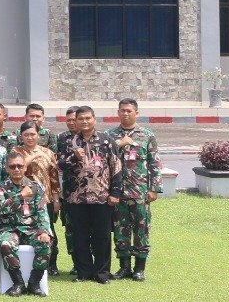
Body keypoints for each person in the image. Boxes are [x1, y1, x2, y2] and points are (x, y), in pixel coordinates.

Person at [57, 105, 120, 283]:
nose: (84, 122)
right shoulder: (67, 141)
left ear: (94, 119)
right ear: (75, 121)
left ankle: (102, 273)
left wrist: (115, 192)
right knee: (80, 236)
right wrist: (73, 157)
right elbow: (59, 165)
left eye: (87, 118)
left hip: (101, 196)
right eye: (80, 119)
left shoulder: (107, 140)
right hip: (75, 197)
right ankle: (83, 272)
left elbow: (116, 167)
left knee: (102, 236)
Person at [109, 97, 162, 282]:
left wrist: (154, 188)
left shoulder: (147, 135)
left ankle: (139, 268)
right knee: (120, 230)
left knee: (141, 230)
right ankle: (124, 267)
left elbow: (155, 164)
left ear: (136, 113)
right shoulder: (110, 135)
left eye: (129, 111)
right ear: (117, 112)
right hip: (117, 192)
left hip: (140, 192)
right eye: (122, 110)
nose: (125, 113)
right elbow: (105, 160)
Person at [0, 152, 52, 297]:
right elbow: (0, 209)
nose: (16, 169)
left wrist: (44, 231)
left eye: (20, 166)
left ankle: (34, 282)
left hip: (31, 229)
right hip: (9, 228)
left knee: (45, 244)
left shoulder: (35, 187)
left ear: (25, 168)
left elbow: (42, 212)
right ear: (7, 168)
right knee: (6, 244)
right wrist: (20, 196)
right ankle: (18, 282)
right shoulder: (0, 188)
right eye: (12, 166)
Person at [16, 122, 63, 274]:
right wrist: (34, 155)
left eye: (32, 134)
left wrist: (56, 200)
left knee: (48, 230)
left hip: (45, 199)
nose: (30, 137)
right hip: (23, 199)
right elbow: (19, 167)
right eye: (26, 135)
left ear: (38, 135)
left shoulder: (48, 152)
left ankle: (52, 264)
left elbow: (54, 178)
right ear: (21, 136)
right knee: (26, 229)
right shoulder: (16, 151)